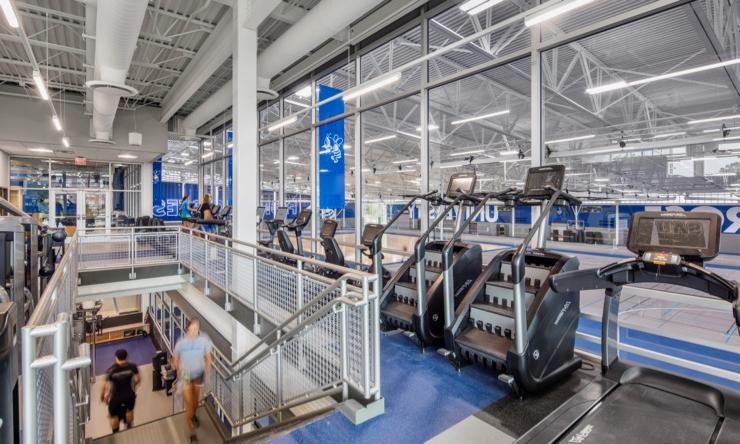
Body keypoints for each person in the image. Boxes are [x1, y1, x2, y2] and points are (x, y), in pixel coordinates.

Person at [173, 318, 213, 443]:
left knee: (196, 402)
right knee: (189, 403)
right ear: (188, 328)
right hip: (185, 375)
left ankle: (192, 416)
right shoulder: (181, 343)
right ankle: (192, 432)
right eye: (193, 328)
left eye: (197, 328)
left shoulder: (203, 341)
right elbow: (175, 358)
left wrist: (207, 368)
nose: (195, 331)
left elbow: (208, 357)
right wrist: (178, 369)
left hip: (199, 374)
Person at [101, 349, 141, 433]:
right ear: (126, 357)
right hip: (129, 395)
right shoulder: (132, 367)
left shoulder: (111, 370)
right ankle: (129, 428)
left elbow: (105, 386)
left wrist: (103, 397)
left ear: (116, 357)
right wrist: (133, 387)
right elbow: (138, 379)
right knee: (129, 411)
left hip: (116, 397)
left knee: (113, 417)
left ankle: (116, 432)